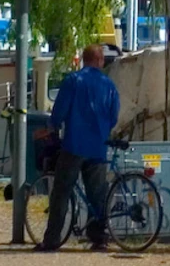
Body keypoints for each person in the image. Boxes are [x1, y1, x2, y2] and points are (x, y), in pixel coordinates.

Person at [38, 43, 121, 252]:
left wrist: (52, 127)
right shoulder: (109, 85)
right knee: (97, 194)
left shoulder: (73, 81)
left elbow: (59, 112)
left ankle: (52, 239)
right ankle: (99, 238)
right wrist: (101, 130)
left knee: (61, 191)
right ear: (100, 61)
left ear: (84, 60)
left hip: (75, 144)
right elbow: (113, 117)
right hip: (98, 147)